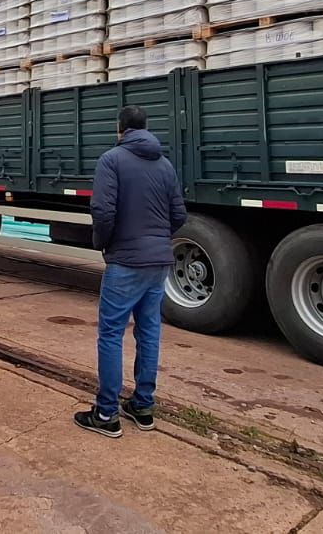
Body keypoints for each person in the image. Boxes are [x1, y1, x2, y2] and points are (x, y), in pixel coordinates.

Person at [75, 106, 186, 438]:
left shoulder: (112, 160)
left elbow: (102, 209)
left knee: (111, 334)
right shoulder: (165, 164)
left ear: (119, 129)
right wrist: (157, 238)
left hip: (126, 261)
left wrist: (103, 243)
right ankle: (142, 405)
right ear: (146, 128)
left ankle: (107, 414)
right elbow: (178, 213)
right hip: (159, 262)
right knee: (149, 332)